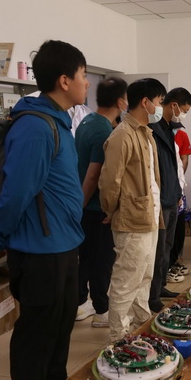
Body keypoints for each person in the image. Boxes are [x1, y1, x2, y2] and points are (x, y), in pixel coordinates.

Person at [0, 40, 88, 380]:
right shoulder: (36, 126)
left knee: (59, 332)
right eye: (83, 75)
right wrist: (1, 236)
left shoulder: (58, 121)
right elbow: (16, 192)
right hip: (41, 251)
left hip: (63, 244)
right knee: (37, 337)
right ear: (64, 81)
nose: (87, 83)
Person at [99, 77, 166, 341]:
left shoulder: (146, 133)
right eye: (159, 101)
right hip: (131, 218)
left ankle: (141, 322)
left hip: (150, 215)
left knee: (144, 274)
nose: (160, 107)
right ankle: (118, 335)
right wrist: (110, 210)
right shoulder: (122, 135)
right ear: (146, 102)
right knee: (127, 278)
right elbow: (110, 181)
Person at [74, 77, 127, 327]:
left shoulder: (86, 122)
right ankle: (102, 311)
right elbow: (94, 175)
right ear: (121, 101)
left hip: (85, 206)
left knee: (85, 258)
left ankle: (80, 303)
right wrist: (84, 206)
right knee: (101, 261)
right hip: (96, 208)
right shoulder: (104, 130)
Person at [148, 87, 191, 313]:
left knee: (167, 247)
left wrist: (178, 194)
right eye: (183, 110)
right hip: (161, 199)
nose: (182, 115)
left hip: (173, 197)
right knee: (158, 249)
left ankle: (160, 286)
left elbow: (176, 166)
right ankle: (152, 296)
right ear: (173, 105)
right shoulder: (153, 129)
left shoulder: (170, 129)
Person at [168, 121, 191, 280]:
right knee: (167, 231)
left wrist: (178, 180)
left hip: (179, 188)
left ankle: (175, 259)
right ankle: (166, 265)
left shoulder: (182, 135)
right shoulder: (158, 134)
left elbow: (184, 160)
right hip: (166, 190)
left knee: (179, 228)